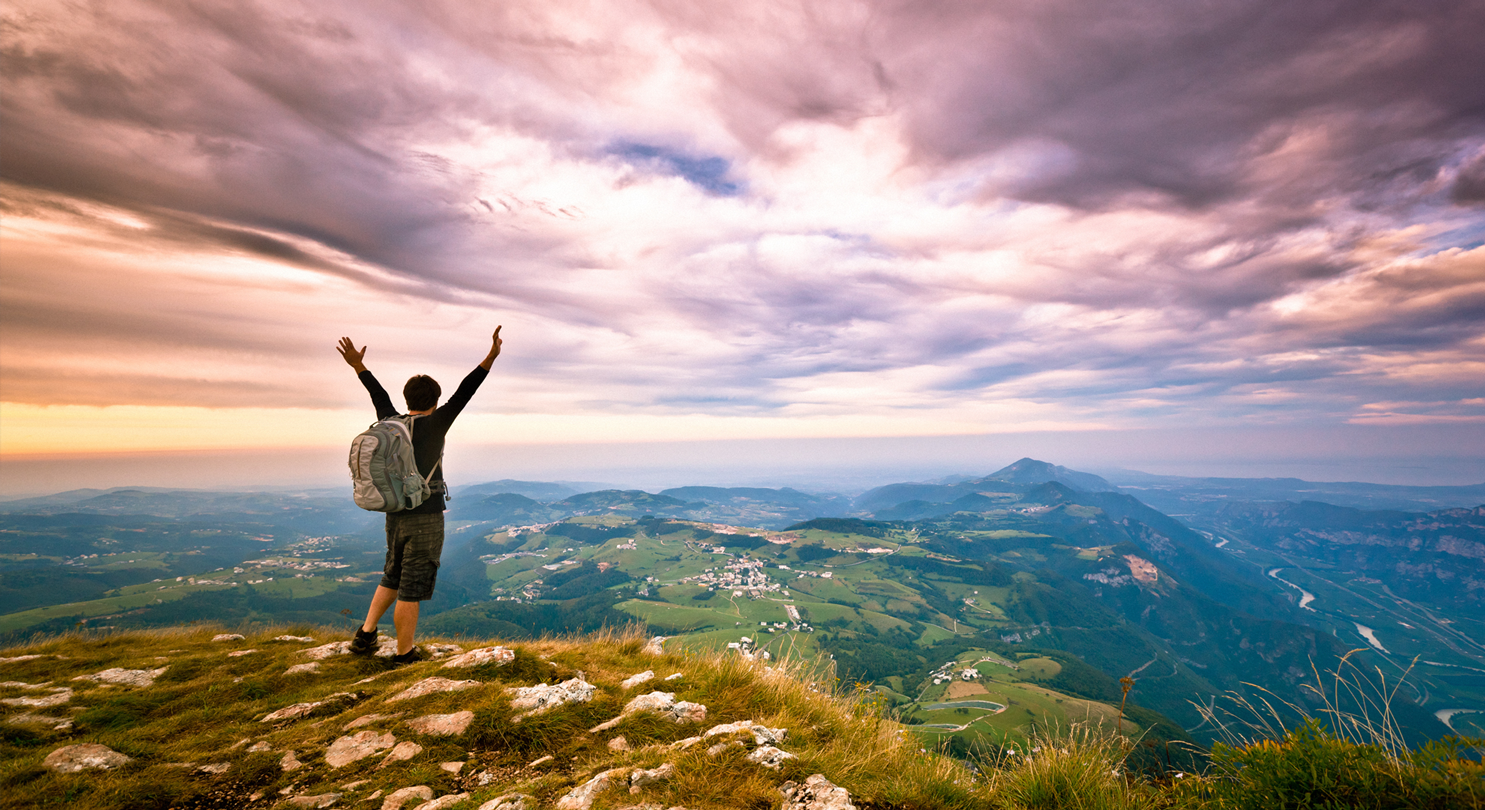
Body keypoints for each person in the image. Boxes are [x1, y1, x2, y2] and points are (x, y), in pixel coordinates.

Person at [336, 327, 503, 664]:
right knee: (411, 587)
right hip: (425, 516)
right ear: (436, 401)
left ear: (408, 399)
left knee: (392, 574)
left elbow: (378, 394)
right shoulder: (437, 423)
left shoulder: (389, 422)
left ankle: (366, 635)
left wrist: (358, 366)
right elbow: (465, 391)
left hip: (394, 513)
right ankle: (404, 654)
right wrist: (490, 358)